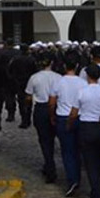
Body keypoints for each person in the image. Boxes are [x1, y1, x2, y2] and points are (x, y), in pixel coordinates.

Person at [70, 64, 100, 198]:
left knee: (91, 164)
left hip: (87, 127)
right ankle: (97, 190)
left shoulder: (82, 92)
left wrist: (70, 124)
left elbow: (74, 112)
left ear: (87, 76)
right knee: (99, 160)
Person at [49, 54, 87, 197]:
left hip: (63, 117)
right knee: (77, 150)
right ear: (77, 66)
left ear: (64, 66)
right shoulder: (83, 82)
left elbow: (52, 102)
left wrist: (52, 115)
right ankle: (77, 177)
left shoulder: (59, 82)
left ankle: (72, 179)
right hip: (79, 117)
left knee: (67, 151)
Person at [25, 54, 62, 183]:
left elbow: (28, 96)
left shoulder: (34, 78)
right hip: (57, 108)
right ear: (51, 63)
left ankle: (50, 167)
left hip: (41, 109)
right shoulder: (58, 77)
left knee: (45, 140)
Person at [11, 45, 37, 128]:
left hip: (19, 82)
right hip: (29, 82)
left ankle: (24, 119)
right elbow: (35, 71)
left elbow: (10, 69)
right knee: (28, 100)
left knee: (21, 101)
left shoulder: (15, 59)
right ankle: (28, 118)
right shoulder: (31, 59)